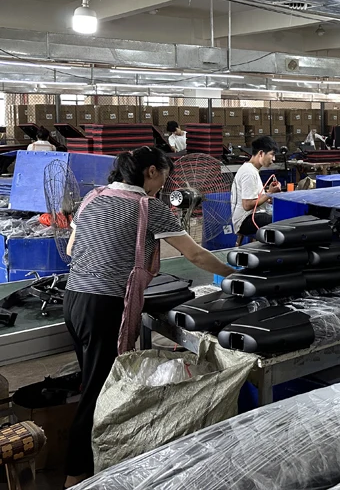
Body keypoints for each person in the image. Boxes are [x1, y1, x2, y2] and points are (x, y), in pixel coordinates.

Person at [62, 146, 234, 487]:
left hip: (74, 299)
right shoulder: (148, 207)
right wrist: (235, 273)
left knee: (93, 382)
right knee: (98, 391)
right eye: (164, 177)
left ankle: (97, 460)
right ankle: (75, 476)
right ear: (151, 172)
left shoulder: (93, 198)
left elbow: (71, 249)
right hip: (105, 306)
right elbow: (196, 256)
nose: (164, 186)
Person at [231, 136, 281, 242]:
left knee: (280, 215)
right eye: (272, 154)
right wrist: (269, 194)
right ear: (261, 153)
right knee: (281, 221)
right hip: (245, 220)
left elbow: (255, 197)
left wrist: (269, 194)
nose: (274, 159)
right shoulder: (248, 172)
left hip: (251, 216)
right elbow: (247, 205)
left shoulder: (252, 170)